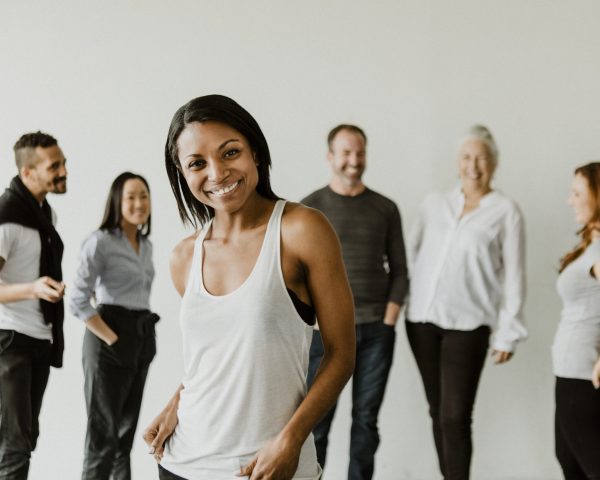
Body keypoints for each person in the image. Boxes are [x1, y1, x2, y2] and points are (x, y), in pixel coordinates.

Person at [142, 94, 355, 480]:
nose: (217, 173)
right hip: (182, 463)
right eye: (197, 163)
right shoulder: (184, 257)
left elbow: (341, 353)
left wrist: (290, 441)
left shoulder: (302, 231)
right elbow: (217, 358)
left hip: (267, 467)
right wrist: (176, 401)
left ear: (255, 151)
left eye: (229, 152)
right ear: (182, 173)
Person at [406, 125, 527, 480]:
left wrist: (509, 333)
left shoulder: (506, 211)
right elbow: (410, 255)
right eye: (467, 157)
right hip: (422, 321)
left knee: (455, 417)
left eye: (482, 158)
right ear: (457, 162)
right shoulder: (434, 204)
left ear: (495, 163)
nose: (474, 165)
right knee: (437, 411)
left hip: (469, 325)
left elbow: (515, 276)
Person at [302, 124, 408, 480]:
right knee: (316, 422)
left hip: (377, 332)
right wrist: (311, 320)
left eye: (360, 153)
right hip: (325, 335)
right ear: (330, 157)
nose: (354, 160)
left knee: (365, 422)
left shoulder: (385, 208)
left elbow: (401, 272)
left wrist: (389, 320)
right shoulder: (310, 209)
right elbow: (295, 274)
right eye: (346, 153)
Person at [70, 172, 158, 480]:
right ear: (117, 201)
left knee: (125, 437)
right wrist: (113, 340)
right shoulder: (100, 242)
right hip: (109, 338)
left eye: (143, 196)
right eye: (131, 196)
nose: (138, 203)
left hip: (141, 337)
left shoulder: (145, 246)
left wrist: (137, 342)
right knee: (103, 437)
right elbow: (77, 301)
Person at [0, 131, 67, 479]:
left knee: (25, 439)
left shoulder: (45, 215)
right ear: (28, 173)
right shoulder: (6, 216)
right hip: (10, 339)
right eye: (54, 166)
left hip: (39, 337)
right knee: (13, 444)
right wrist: (33, 289)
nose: (64, 170)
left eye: (63, 162)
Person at [553, 162, 600, 479]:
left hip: (584, 376)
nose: (570, 201)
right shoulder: (591, 245)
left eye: (577, 193)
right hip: (569, 372)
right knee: (570, 462)